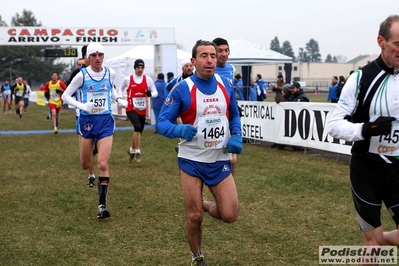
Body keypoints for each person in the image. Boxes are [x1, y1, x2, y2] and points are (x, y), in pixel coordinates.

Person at [156, 39, 242, 266]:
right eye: (204, 56)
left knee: (230, 215)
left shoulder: (226, 85)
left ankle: (204, 202)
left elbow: (234, 114)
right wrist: (178, 129)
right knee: (194, 216)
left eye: (213, 55)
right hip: (191, 160)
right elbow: (161, 123)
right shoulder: (183, 88)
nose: (210, 60)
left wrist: (236, 135)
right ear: (193, 61)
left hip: (219, 159)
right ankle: (197, 256)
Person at [327, 15, 399, 254]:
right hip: (367, 171)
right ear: (381, 41)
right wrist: (365, 129)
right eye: (397, 44)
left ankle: (379, 239)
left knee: (377, 240)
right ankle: (374, 241)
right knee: (371, 242)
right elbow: (333, 125)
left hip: (397, 170)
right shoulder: (360, 79)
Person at [62, 42, 128, 219]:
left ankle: (102, 206)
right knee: (85, 164)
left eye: (100, 54)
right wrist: (82, 105)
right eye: (94, 55)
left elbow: (111, 90)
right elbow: (65, 96)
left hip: (105, 121)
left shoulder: (110, 73)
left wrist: (119, 99)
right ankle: (91, 149)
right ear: (88, 58)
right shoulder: (81, 76)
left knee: (103, 164)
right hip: (86, 121)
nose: (98, 58)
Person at [67, 45, 97, 187]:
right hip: (83, 116)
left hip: (101, 116)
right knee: (88, 149)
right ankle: (91, 176)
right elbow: (68, 94)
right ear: (86, 57)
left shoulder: (102, 72)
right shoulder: (77, 74)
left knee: (96, 149)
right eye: (91, 54)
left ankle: (95, 174)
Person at [120, 59, 158, 163]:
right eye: (138, 68)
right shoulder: (128, 79)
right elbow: (121, 88)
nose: (140, 70)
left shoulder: (147, 79)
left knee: (139, 131)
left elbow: (156, 92)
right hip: (131, 107)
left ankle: (131, 150)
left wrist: (151, 94)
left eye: (142, 68)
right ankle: (137, 151)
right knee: (137, 127)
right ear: (135, 68)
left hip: (142, 108)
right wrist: (122, 98)